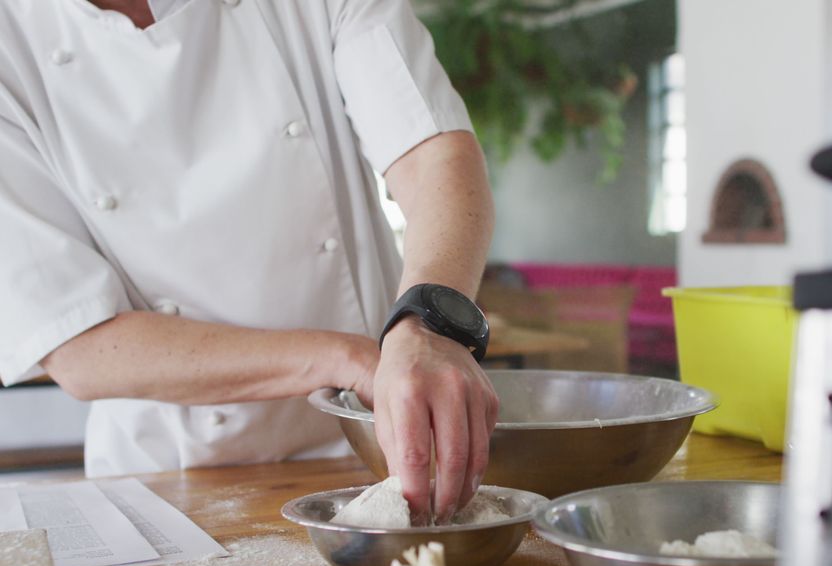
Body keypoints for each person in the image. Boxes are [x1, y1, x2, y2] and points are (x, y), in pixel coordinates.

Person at [0, 0, 497, 526]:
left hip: (380, 456)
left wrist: (424, 326)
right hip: (170, 484)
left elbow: (434, 155)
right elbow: (81, 347)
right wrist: (350, 361)